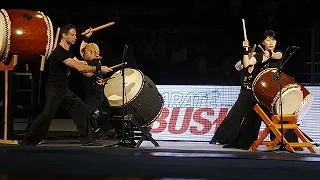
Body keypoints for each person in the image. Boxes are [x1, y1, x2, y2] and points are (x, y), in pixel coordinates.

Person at [20, 24, 113, 146]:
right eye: (72, 35)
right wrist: (99, 68)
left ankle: (87, 140)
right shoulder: (59, 53)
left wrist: (86, 39)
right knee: (47, 115)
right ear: (64, 36)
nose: (75, 37)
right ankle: (28, 141)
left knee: (82, 110)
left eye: (75, 35)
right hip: (55, 89)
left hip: (64, 89)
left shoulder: (69, 50)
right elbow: (79, 67)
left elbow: (81, 61)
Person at [224, 30, 284, 150]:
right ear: (263, 42)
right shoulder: (259, 56)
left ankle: (281, 139)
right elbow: (246, 65)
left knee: (281, 115)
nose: (271, 42)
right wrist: (246, 50)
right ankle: (245, 141)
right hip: (261, 95)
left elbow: (276, 56)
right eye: (268, 40)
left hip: (276, 94)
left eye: (273, 40)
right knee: (253, 112)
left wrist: (270, 54)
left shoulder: (279, 54)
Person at [79, 28, 105, 140]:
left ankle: (93, 133)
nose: (83, 53)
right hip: (92, 95)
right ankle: (96, 132)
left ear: (90, 52)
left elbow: (81, 63)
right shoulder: (95, 62)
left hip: (96, 96)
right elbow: (81, 51)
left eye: (85, 52)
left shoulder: (94, 63)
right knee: (86, 113)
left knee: (85, 112)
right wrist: (86, 38)